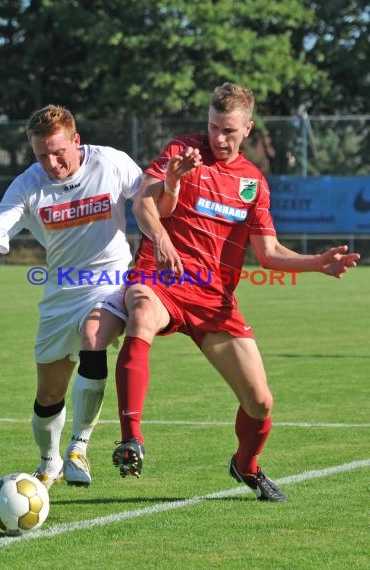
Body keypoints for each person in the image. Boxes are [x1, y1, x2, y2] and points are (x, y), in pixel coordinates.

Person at [111, 82, 360, 501]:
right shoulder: (182, 151)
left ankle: (246, 465)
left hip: (213, 299)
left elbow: (268, 252)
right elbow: (144, 204)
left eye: (228, 131)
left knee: (260, 402)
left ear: (248, 129)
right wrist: (163, 232)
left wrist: (317, 264)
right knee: (141, 315)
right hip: (162, 278)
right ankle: (130, 439)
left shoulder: (253, 183)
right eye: (213, 127)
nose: (218, 139)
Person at [0, 104, 142, 490]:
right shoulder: (28, 185)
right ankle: (50, 462)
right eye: (42, 154)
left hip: (110, 281)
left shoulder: (110, 163)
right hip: (60, 293)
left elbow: (149, 197)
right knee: (49, 392)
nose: (51, 162)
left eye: (58, 152)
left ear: (76, 141)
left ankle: (79, 445)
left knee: (95, 337)